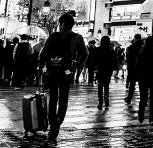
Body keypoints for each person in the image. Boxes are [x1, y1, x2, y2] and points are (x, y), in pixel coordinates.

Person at [38, 13, 88, 141]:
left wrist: (42, 68)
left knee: (53, 96)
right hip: (66, 71)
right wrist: (75, 65)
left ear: (62, 24)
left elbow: (43, 54)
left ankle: (52, 120)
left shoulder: (53, 36)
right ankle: (58, 120)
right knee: (64, 98)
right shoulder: (77, 38)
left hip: (52, 70)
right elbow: (85, 54)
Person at [135, 36, 153, 124]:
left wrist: (139, 75)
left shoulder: (142, 52)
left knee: (143, 97)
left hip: (143, 77)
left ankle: (141, 116)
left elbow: (137, 65)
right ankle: (152, 118)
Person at [93, 36, 118, 110]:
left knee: (100, 86)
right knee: (106, 85)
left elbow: (94, 59)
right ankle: (106, 101)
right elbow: (114, 61)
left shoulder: (98, 50)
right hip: (108, 70)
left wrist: (95, 67)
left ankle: (100, 102)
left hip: (100, 69)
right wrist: (115, 68)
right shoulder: (111, 51)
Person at [125, 34, 143, 105]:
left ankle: (129, 98)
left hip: (133, 67)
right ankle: (144, 98)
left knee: (132, 84)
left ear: (135, 38)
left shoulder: (132, 47)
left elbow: (129, 58)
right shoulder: (143, 46)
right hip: (142, 68)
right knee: (142, 84)